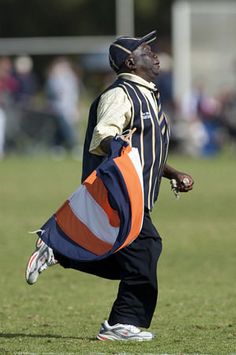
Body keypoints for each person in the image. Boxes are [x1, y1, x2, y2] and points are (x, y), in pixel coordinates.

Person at [25, 30, 194, 341]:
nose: (155, 55)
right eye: (147, 50)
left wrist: (173, 173)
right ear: (131, 61)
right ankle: (122, 323)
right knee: (145, 250)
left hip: (137, 194)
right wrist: (118, 147)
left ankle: (58, 250)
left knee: (124, 261)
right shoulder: (121, 94)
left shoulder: (148, 95)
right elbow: (103, 137)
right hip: (119, 192)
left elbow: (145, 149)